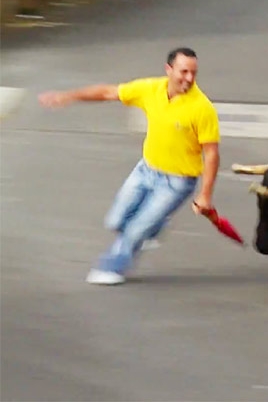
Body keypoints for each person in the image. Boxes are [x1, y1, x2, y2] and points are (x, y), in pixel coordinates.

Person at [38, 47, 221, 285]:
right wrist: (68, 96)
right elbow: (107, 93)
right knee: (115, 221)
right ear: (169, 70)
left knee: (135, 230)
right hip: (146, 170)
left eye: (193, 73)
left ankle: (112, 267)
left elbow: (212, 154)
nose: (189, 78)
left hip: (177, 182)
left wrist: (205, 195)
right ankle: (155, 225)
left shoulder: (202, 108)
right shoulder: (150, 89)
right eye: (183, 71)